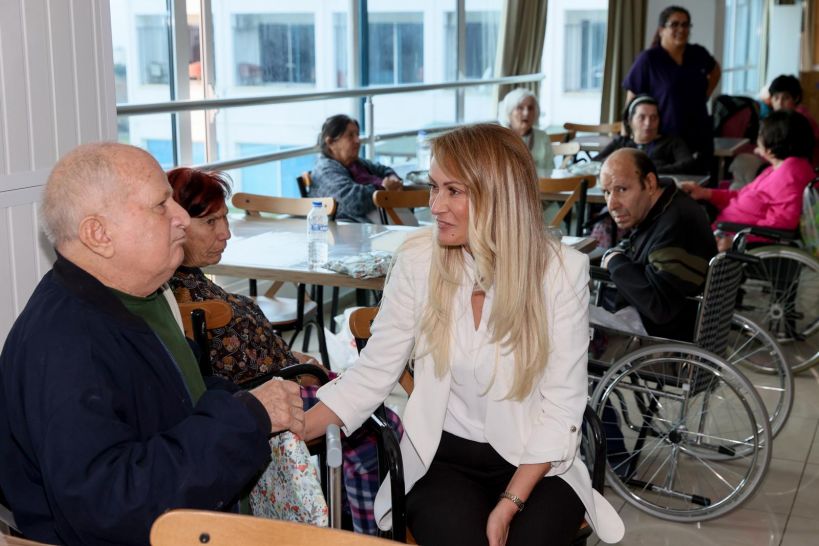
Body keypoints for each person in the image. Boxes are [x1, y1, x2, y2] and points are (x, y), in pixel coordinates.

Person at [302, 124, 624, 546]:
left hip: (539, 463)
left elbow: (564, 405)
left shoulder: (561, 272)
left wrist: (508, 504)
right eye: (434, 187)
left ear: (498, 196)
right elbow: (371, 375)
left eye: (453, 191)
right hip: (442, 461)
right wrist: (284, 430)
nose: (435, 205)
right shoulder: (419, 261)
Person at [0, 143, 305, 546]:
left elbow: (179, 390)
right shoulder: (65, 346)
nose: (181, 218)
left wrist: (250, 399)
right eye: (161, 205)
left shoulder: (139, 297)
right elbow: (111, 508)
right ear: (98, 234)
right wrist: (246, 418)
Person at [166, 166, 402, 534]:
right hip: (269, 396)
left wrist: (294, 360)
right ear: (176, 223)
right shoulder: (186, 299)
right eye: (211, 222)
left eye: (225, 218)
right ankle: (372, 533)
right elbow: (228, 376)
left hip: (285, 375)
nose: (225, 232)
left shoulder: (187, 280)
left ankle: (353, 517)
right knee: (378, 425)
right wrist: (299, 370)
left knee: (371, 402)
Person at [598, 148, 717, 341]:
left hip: (662, 339)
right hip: (673, 324)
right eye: (606, 192)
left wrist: (615, 262)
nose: (611, 204)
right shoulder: (668, 205)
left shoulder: (676, 224)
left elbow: (659, 306)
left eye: (622, 189)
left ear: (650, 183)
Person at [681, 109, 816, 251]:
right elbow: (741, 195)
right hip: (726, 230)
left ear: (771, 146)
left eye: (760, 134)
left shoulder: (790, 175)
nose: (757, 139)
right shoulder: (779, 168)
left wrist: (735, 240)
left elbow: (781, 225)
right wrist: (705, 193)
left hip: (733, 241)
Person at [623, 5, 721, 170]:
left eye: (685, 25)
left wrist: (705, 95)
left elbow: (716, 70)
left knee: (702, 181)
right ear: (661, 30)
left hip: (699, 134)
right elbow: (631, 101)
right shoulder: (649, 59)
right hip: (666, 140)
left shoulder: (698, 53)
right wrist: (627, 133)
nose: (681, 29)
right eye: (674, 24)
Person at [310, 114, 404, 223]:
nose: (358, 140)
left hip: (385, 225)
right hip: (355, 230)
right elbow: (352, 201)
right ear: (331, 142)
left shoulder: (356, 163)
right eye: (350, 135)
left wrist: (392, 178)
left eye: (357, 135)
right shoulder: (325, 170)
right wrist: (383, 187)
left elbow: (382, 169)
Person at [731, 74, 819, 187]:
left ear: (796, 98)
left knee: (742, 164)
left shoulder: (796, 119)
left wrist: (761, 151)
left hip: (801, 171)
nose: (780, 103)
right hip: (792, 167)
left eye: (785, 98)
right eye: (776, 98)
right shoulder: (785, 118)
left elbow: (784, 153)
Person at [596, 94, 698, 174]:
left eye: (653, 118)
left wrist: (648, 171)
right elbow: (595, 163)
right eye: (642, 117)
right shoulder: (621, 143)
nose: (648, 123)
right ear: (630, 120)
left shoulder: (672, 143)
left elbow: (689, 165)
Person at [499, 87, 555, 176]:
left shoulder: (542, 137)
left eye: (530, 108)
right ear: (509, 112)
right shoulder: (500, 138)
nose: (526, 113)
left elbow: (549, 170)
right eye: (520, 108)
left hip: (540, 184)